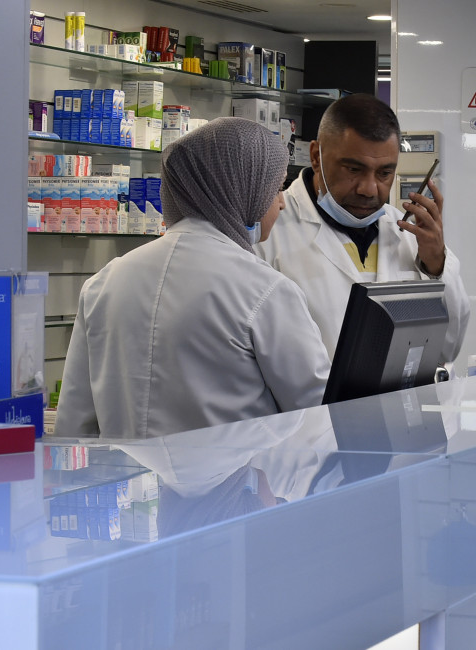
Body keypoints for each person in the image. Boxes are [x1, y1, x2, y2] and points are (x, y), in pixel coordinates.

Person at [56, 118, 330, 439]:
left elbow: (74, 425)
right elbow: (318, 412)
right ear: (242, 187)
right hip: (231, 485)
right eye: (276, 188)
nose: (282, 201)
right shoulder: (263, 290)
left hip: (125, 485)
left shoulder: (106, 281)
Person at [256, 94, 470, 366]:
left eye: (384, 174)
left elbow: (446, 351)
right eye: (353, 169)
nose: (369, 189)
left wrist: (437, 265)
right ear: (315, 157)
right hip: (311, 409)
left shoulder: (412, 236)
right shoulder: (268, 234)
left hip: (396, 405)